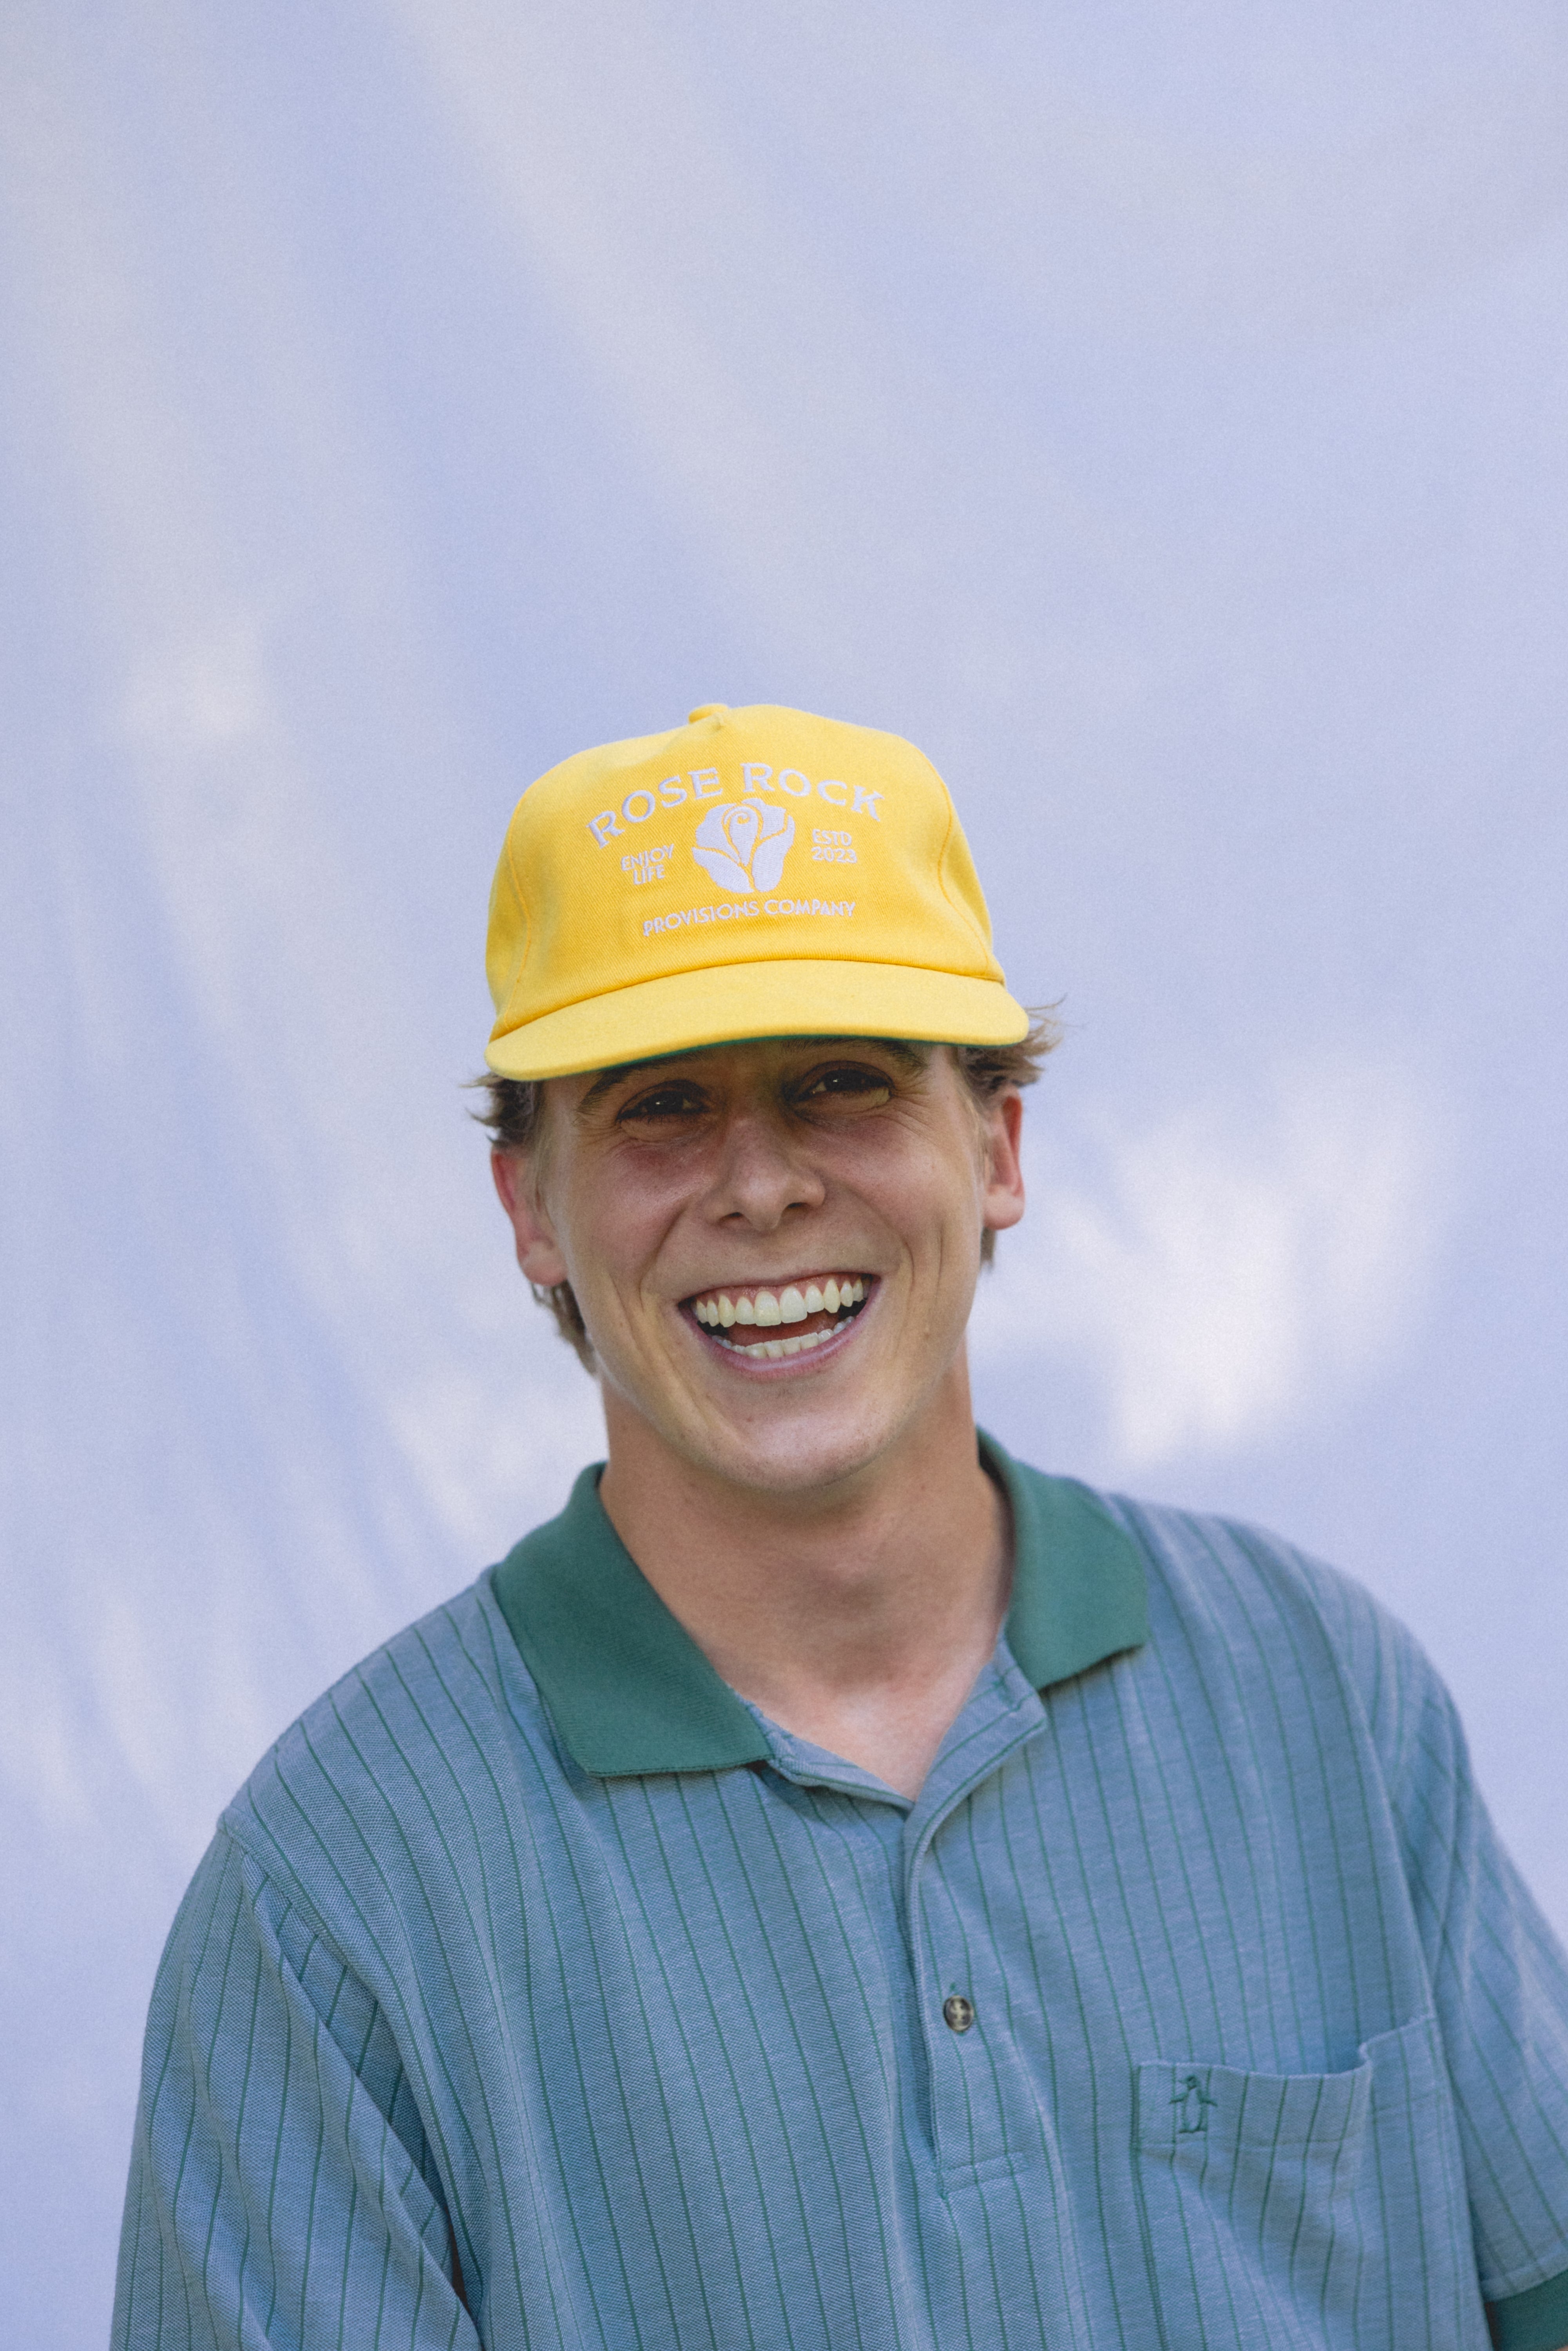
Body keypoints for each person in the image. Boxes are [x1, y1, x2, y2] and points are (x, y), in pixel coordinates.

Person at [115, 704, 1568, 2351]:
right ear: (531, 1210)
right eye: (660, 1106)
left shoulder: (1318, 1690)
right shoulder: (332, 1897)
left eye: (839, 1085)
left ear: (995, 1146)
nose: (761, 1185)